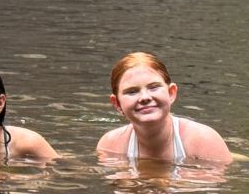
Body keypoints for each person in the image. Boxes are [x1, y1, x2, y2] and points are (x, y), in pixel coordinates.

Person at [96, 52, 232, 165]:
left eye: (154, 87)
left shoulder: (204, 141)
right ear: (117, 104)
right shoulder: (110, 146)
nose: (145, 97)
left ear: (171, 93)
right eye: (132, 91)